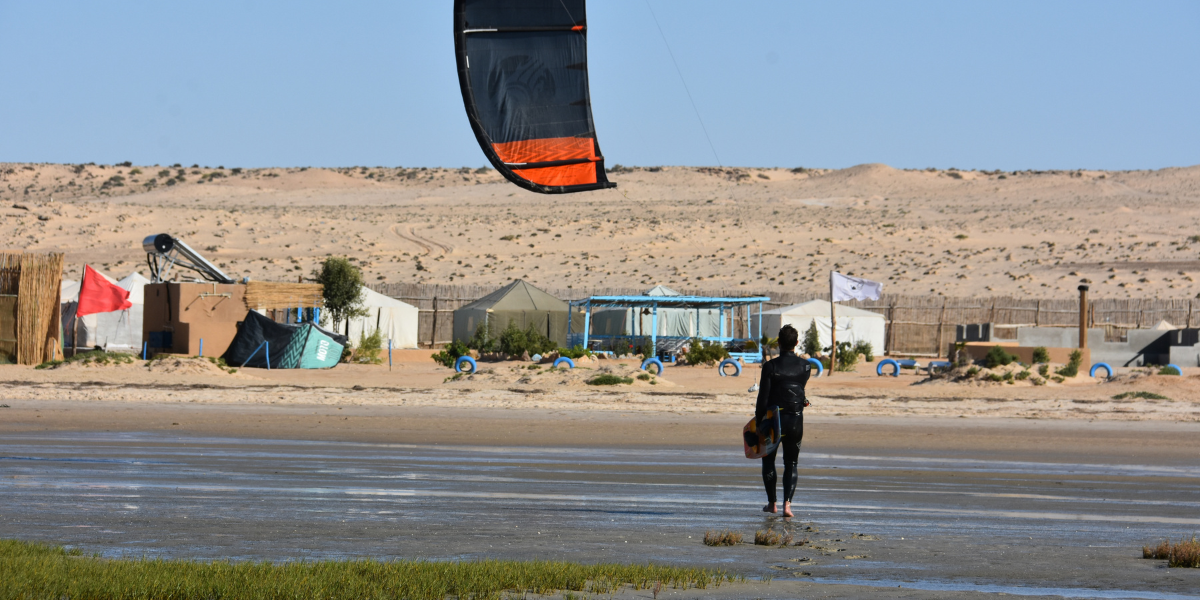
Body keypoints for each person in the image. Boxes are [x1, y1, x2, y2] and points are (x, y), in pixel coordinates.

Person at [754, 324, 811, 517]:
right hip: (795, 420)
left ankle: (772, 504)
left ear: (778, 343)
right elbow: (798, 388)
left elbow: (763, 398)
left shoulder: (770, 366)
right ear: (796, 343)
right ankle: (788, 505)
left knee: (768, 461)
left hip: (773, 421)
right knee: (791, 463)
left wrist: (758, 421)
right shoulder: (806, 366)